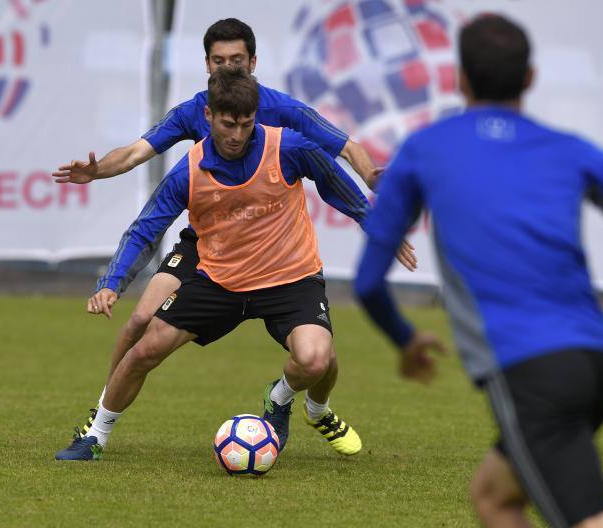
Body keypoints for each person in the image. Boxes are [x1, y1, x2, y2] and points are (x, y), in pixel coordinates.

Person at [354, 14, 603, 528]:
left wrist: (405, 340)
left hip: (531, 374)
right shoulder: (570, 148)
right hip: (598, 362)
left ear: (459, 79)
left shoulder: (424, 150)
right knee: (494, 496)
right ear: (530, 78)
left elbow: (367, 282)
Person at [51, 18, 415, 441]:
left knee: (320, 359)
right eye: (219, 61)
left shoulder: (281, 112)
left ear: (253, 63)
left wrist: (372, 180)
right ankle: (101, 415)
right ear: (206, 65)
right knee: (141, 322)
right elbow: (135, 154)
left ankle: (310, 406)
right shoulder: (195, 110)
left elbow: (344, 148)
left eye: (236, 61)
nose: (228, 70)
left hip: (273, 258)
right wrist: (98, 172)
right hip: (210, 242)